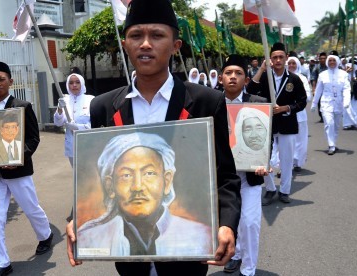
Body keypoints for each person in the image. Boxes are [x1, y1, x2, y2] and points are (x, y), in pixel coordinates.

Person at [66, 1, 241, 275]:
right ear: (125, 44)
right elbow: (93, 180)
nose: (145, 44)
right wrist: (76, 219)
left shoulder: (207, 103)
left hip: (187, 259)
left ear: (175, 45)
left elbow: (226, 176)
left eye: (157, 35)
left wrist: (227, 223)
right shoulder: (103, 107)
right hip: (129, 261)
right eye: (136, 36)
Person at [77, 132, 212, 256]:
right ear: (110, 187)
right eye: (126, 175)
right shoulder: (89, 238)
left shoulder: (202, 236)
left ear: (167, 181)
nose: (137, 187)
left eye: (149, 173)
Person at [0, 61, 53, 276]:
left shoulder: (23, 106)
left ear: (10, 81)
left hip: (18, 172)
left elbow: (33, 138)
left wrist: (17, 158)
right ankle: (2, 263)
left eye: (2, 79)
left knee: (31, 209)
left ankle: (45, 235)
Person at [219, 54, 267, 276]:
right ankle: (235, 255)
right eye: (228, 73)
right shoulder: (212, 104)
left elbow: (268, 138)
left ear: (246, 80)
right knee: (230, 221)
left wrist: (263, 162)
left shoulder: (257, 104)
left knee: (250, 223)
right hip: (222, 180)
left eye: (238, 73)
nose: (233, 77)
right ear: (221, 78)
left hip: (250, 176)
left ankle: (248, 268)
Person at [247, 42, 307, 205]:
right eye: (275, 57)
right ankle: (271, 189)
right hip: (268, 124)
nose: (278, 60)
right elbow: (250, 90)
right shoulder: (266, 76)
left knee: (286, 161)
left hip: (288, 125)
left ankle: (284, 191)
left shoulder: (294, 79)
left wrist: (286, 108)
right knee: (265, 159)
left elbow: (302, 101)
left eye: (281, 57)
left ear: (286, 58)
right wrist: (261, 69)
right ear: (270, 60)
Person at [311, 54, 351, 155]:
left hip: (338, 103)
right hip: (326, 102)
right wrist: (314, 103)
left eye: (334, 60)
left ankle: (333, 142)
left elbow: (347, 88)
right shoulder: (322, 75)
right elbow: (319, 90)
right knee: (329, 123)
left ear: (337, 61)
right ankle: (331, 145)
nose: (332, 62)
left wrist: (347, 101)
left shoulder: (343, 74)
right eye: (330, 61)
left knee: (336, 125)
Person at [54, 73, 94, 166]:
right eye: (71, 83)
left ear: (82, 84)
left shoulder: (90, 100)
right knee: (77, 175)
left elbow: (95, 125)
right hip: (71, 146)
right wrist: (59, 108)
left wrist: (78, 127)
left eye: (77, 82)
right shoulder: (65, 100)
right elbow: (58, 123)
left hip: (88, 146)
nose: (74, 85)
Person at [287, 56, 312, 172]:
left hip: (300, 114)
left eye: (294, 63)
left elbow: (308, 96)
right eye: (289, 63)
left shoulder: (302, 78)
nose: (291, 65)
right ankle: (287, 164)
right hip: (286, 114)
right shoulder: (282, 78)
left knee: (300, 140)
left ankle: (298, 162)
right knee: (287, 141)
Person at [311, 52, 328, 122]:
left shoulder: (329, 66)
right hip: (319, 88)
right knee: (319, 102)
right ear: (319, 59)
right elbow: (314, 79)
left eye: (324, 58)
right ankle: (321, 116)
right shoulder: (317, 67)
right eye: (321, 59)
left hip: (328, 88)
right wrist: (313, 89)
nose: (322, 60)